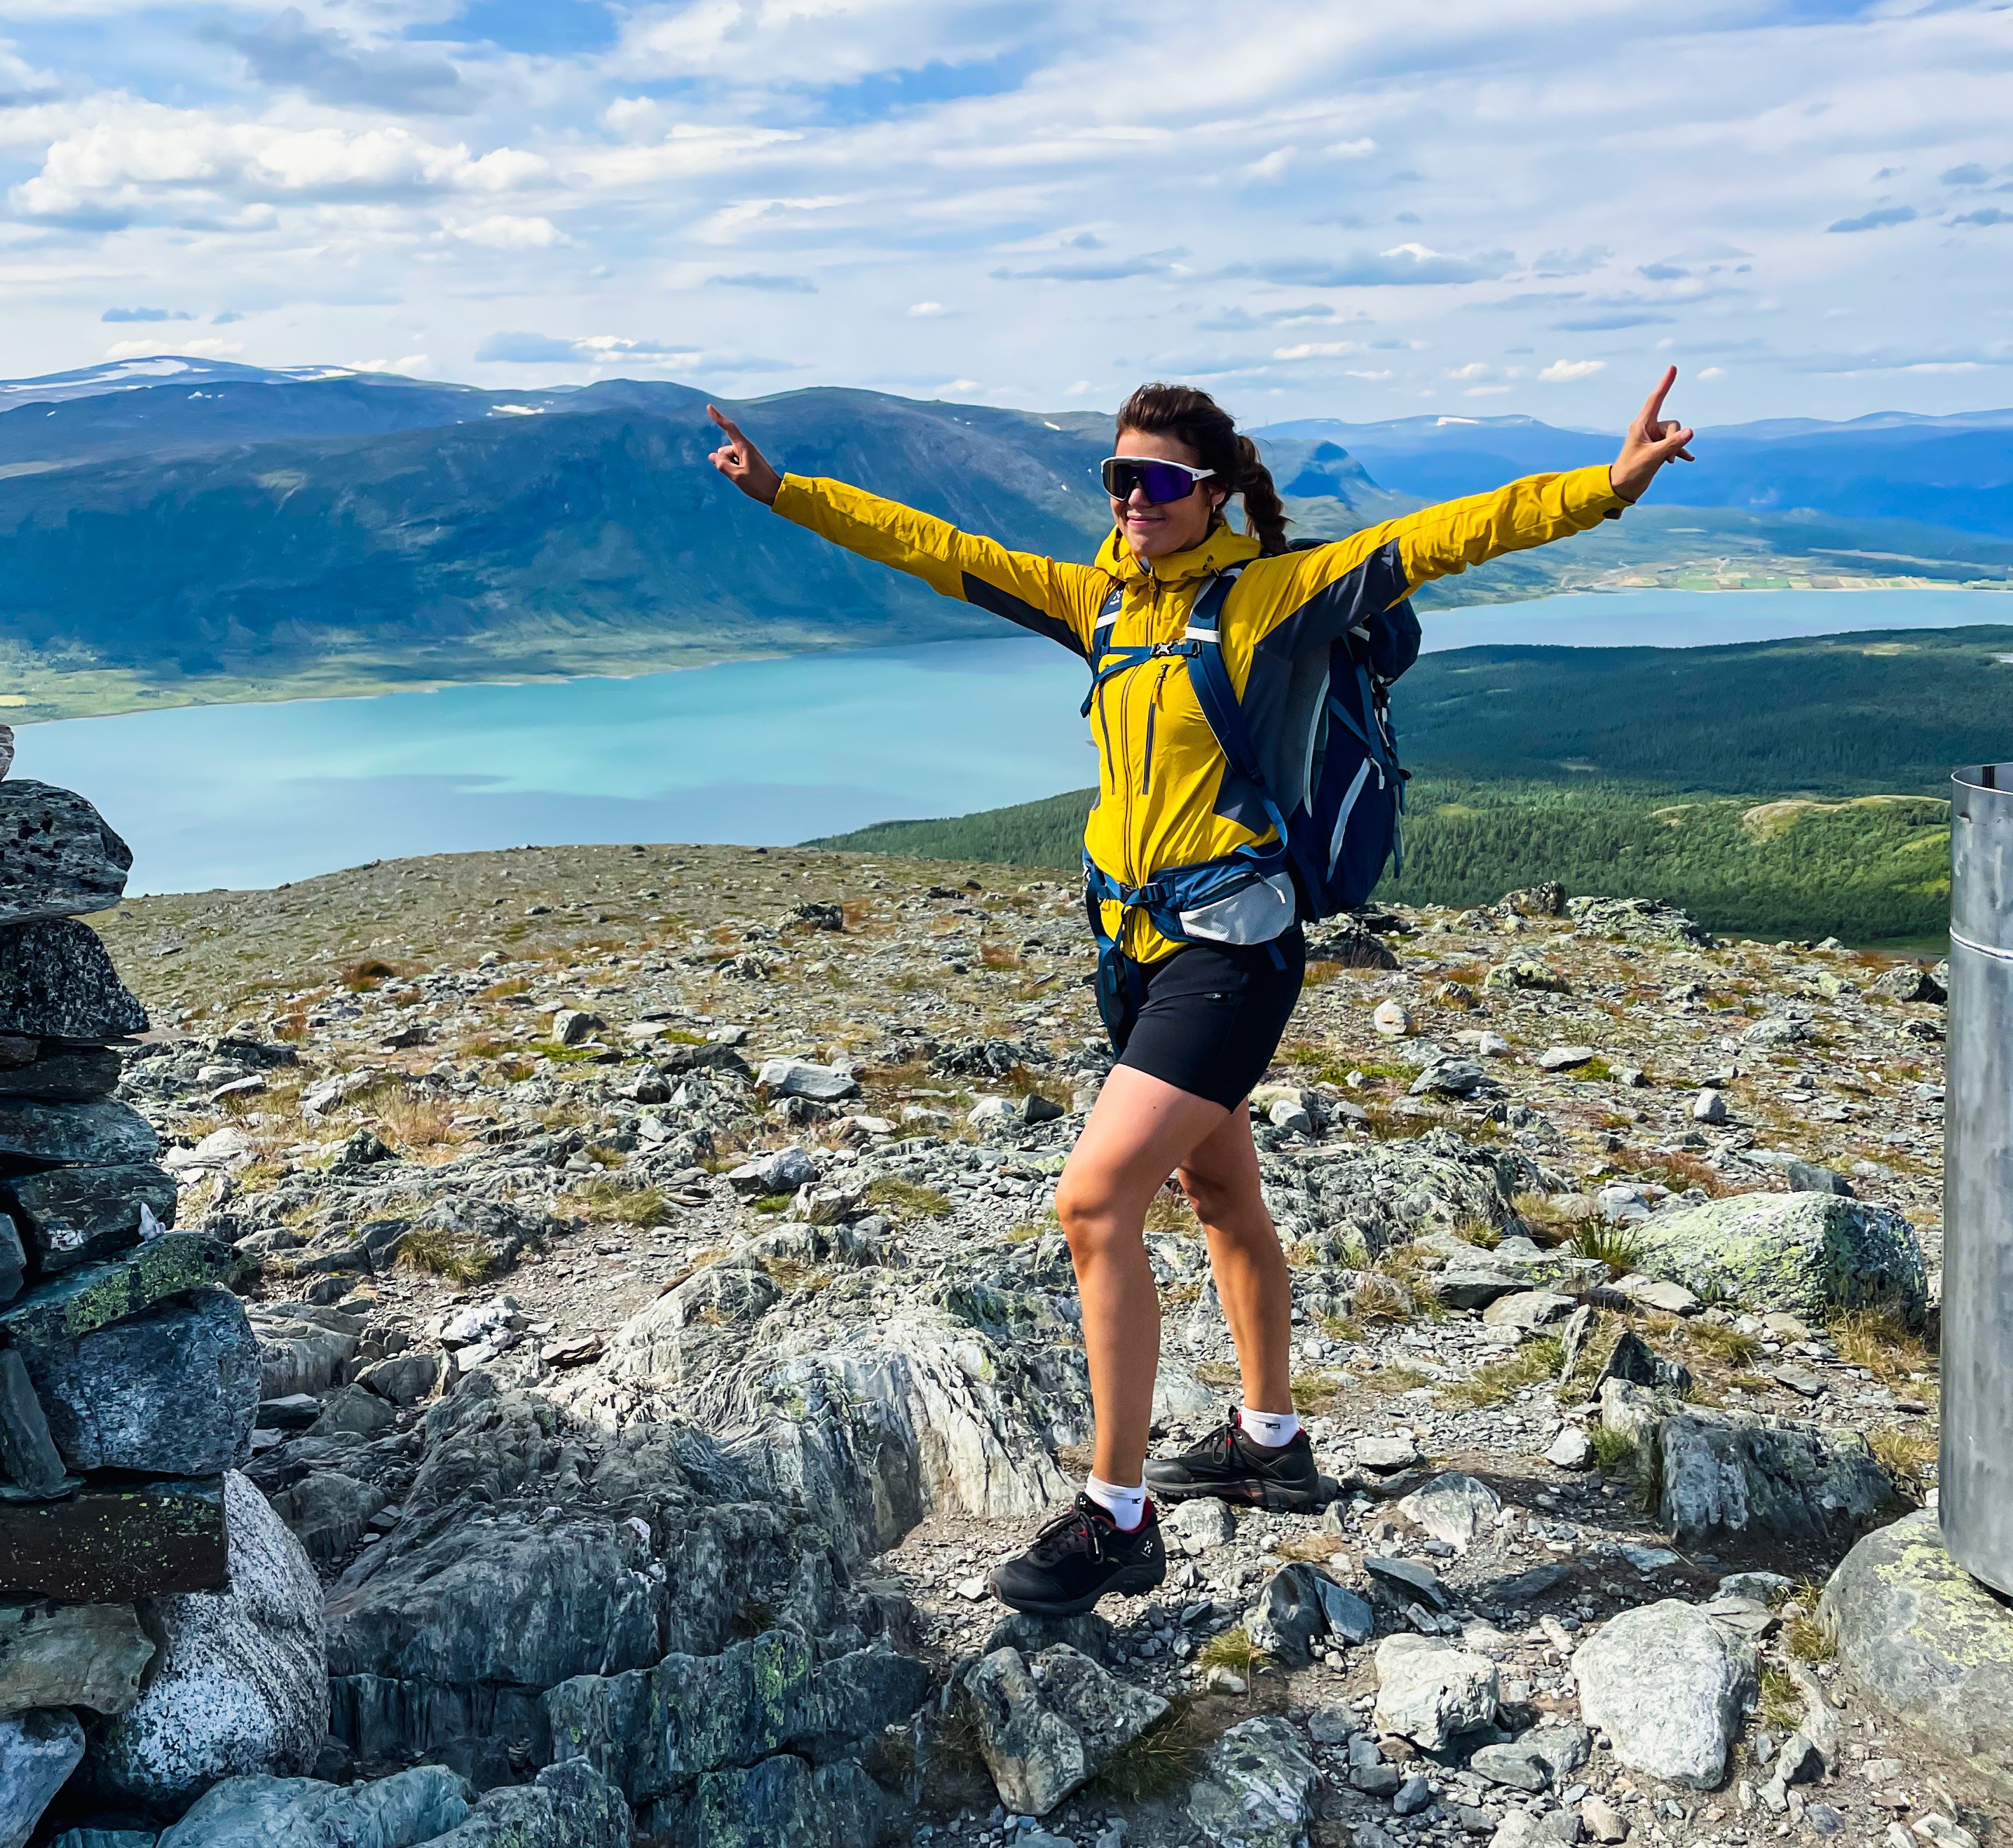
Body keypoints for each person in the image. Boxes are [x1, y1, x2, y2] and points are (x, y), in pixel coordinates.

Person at [707, 369, 1695, 1615]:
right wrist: (784, 494)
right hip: (1132, 952)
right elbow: (937, 550)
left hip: (1232, 953)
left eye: (1158, 481)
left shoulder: (1274, 596)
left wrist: (1605, 491)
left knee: (1093, 1201)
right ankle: (1271, 1442)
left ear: (1215, 493)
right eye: (1118, 478)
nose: (1131, 499)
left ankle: (1119, 1518)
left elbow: (1439, 537)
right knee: (1221, 1191)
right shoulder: (1100, 604)